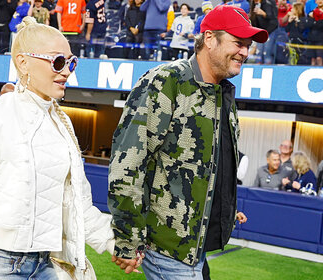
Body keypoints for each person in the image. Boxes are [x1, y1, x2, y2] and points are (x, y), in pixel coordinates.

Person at [0, 17, 115, 280]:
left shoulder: (62, 124)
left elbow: (76, 204)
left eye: (71, 62)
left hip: (46, 265)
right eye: (58, 61)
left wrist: (114, 243)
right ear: (23, 62)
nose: (67, 71)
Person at [108, 5, 268, 278]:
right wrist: (127, 239)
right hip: (168, 250)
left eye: (248, 45)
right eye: (238, 43)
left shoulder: (222, 94)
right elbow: (129, 162)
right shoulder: (166, 81)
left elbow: (208, 166)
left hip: (197, 249)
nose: (245, 52)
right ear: (209, 39)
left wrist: (227, 210)